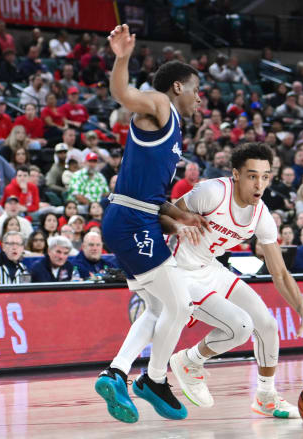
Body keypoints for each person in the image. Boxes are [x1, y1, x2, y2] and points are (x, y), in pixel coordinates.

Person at [151, 143, 303, 417]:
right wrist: (181, 225)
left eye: (266, 177)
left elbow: (279, 272)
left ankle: (266, 397)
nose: (260, 184)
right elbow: (162, 213)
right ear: (236, 174)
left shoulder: (261, 215)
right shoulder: (212, 192)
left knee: (267, 325)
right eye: (252, 175)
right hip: (179, 271)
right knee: (241, 327)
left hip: (210, 267)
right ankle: (189, 361)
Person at [95, 24, 208, 424]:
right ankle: (154, 380)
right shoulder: (161, 104)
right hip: (131, 221)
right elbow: (122, 94)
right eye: (196, 89)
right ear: (178, 87)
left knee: (160, 307)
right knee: (180, 303)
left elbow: (154, 196)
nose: (200, 97)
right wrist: (122, 57)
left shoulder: (173, 130)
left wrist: (180, 216)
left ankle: (117, 372)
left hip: (135, 218)